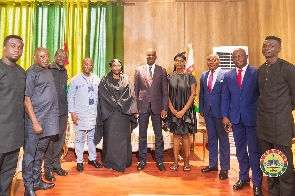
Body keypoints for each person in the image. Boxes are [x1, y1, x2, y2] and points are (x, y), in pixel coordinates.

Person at [257, 36, 295, 196]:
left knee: (284, 165)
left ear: (279, 49)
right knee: (270, 162)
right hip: (263, 125)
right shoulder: (260, 70)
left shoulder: (288, 68)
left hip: (281, 126)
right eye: (265, 46)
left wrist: (281, 111)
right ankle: (272, 192)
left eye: (271, 46)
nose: (267, 48)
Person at [221, 48, 262, 196]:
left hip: (252, 118)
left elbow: (261, 95)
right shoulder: (228, 76)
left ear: (246, 57)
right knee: (240, 151)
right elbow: (225, 97)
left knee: (254, 151)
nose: (238, 58)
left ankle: (257, 182)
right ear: (233, 59)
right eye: (235, 57)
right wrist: (225, 116)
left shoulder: (256, 72)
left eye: (240, 56)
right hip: (235, 118)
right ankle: (243, 177)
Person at [23, 47, 59, 196]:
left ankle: (37, 181)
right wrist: (35, 122)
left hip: (49, 121)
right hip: (36, 121)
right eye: (42, 56)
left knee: (40, 154)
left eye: (47, 56)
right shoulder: (31, 73)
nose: (46, 59)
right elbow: (26, 99)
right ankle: (28, 187)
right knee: (30, 155)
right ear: (34, 57)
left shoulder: (48, 70)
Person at [97, 59, 137, 172]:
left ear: (121, 66)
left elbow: (131, 95)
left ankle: (124, 161)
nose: (116, 68)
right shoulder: (105, 79)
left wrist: (122, 105)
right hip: (110, 114)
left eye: (118, 65)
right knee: (110, 139)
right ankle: (109, 162)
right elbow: (103, 94)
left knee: (123, 139)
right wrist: (116, 104)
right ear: (111, 67)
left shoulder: (127, 79)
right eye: (114, 66)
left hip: (124, 114)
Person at [134, 48, 168, 172]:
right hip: (142, 107)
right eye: (149, 55)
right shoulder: (138, 70)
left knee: (158, 135)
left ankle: (160, 160)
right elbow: (135, 91)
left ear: (156, 56)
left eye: (153, 55)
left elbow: (165, 92)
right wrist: (135, 109)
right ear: (146, 56)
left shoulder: (162, 71)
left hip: (157, 107)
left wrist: (165, 108)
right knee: (142, 135)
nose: (150, 57)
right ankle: (142, 160)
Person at [0, 35, 25, 196]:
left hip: (15, 134)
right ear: (4, 47)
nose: (16, 49)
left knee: (8, 173)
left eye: (20, 47)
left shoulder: (22, 72)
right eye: (13, 45)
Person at [68, 57, 102, 172]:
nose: (88, 66)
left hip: (93, 114)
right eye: (86, 64)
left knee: (92, 138)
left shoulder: (97, 79)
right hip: (80, 114)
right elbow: (70, 97)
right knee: (79, 139)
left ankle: (92, 159)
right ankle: (80, 161)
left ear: (92, 66)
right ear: (82, 65)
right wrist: (72, 112)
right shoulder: (75, 80)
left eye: (90, 64)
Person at [164, 52, 196, 172]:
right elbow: (166, 94)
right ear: (174, 62)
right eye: (177, 61)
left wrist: (183, 110)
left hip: (186, 110)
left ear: (184, 63)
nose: (179, 63)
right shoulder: (169, 76)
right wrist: (172, 110)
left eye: (181, 61)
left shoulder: (190, 77)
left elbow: (193, 94)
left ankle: (187, 161)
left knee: (186, 135)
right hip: (173, 110)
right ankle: (176, 161)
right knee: (176, 135)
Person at [199, 54, 230, 179]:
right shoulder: (203, 75)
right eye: (209, 60)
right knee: (211, 139)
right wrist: (201, 109)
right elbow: (202, 93)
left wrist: (226, 114)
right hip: (208, 112)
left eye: (214, 60)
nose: (211, 62)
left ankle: (225, 168)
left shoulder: (225, 75)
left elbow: (227, 96)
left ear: (219, 61)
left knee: (223, 141)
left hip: (221, 113)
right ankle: (212, 164)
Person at [44, 49, 68, 182]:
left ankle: (56, 165)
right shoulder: (47, 69)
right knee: (50, 141)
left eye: (64, 56)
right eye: (59, 56)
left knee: (60, 139)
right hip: (50, 111)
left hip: (63, 110)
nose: (61, 58)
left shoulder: (65, 71)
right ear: (54, 57)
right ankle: (48, 168)